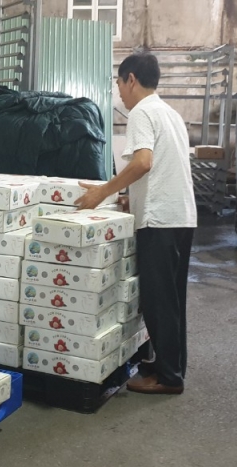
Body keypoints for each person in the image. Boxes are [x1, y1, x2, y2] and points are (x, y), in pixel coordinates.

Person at [75, 53, 196, 395]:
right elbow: (165, 167)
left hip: (159, 221)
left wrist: (104, 192)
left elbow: (143, 162)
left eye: (119, 83)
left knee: (159, 301)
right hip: (181, 217)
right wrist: (132, 197)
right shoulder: (169, 113)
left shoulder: (142, 112)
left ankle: (169, 378)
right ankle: (171, 366)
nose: (119, 92)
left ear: (131, 79)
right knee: (173, 299)